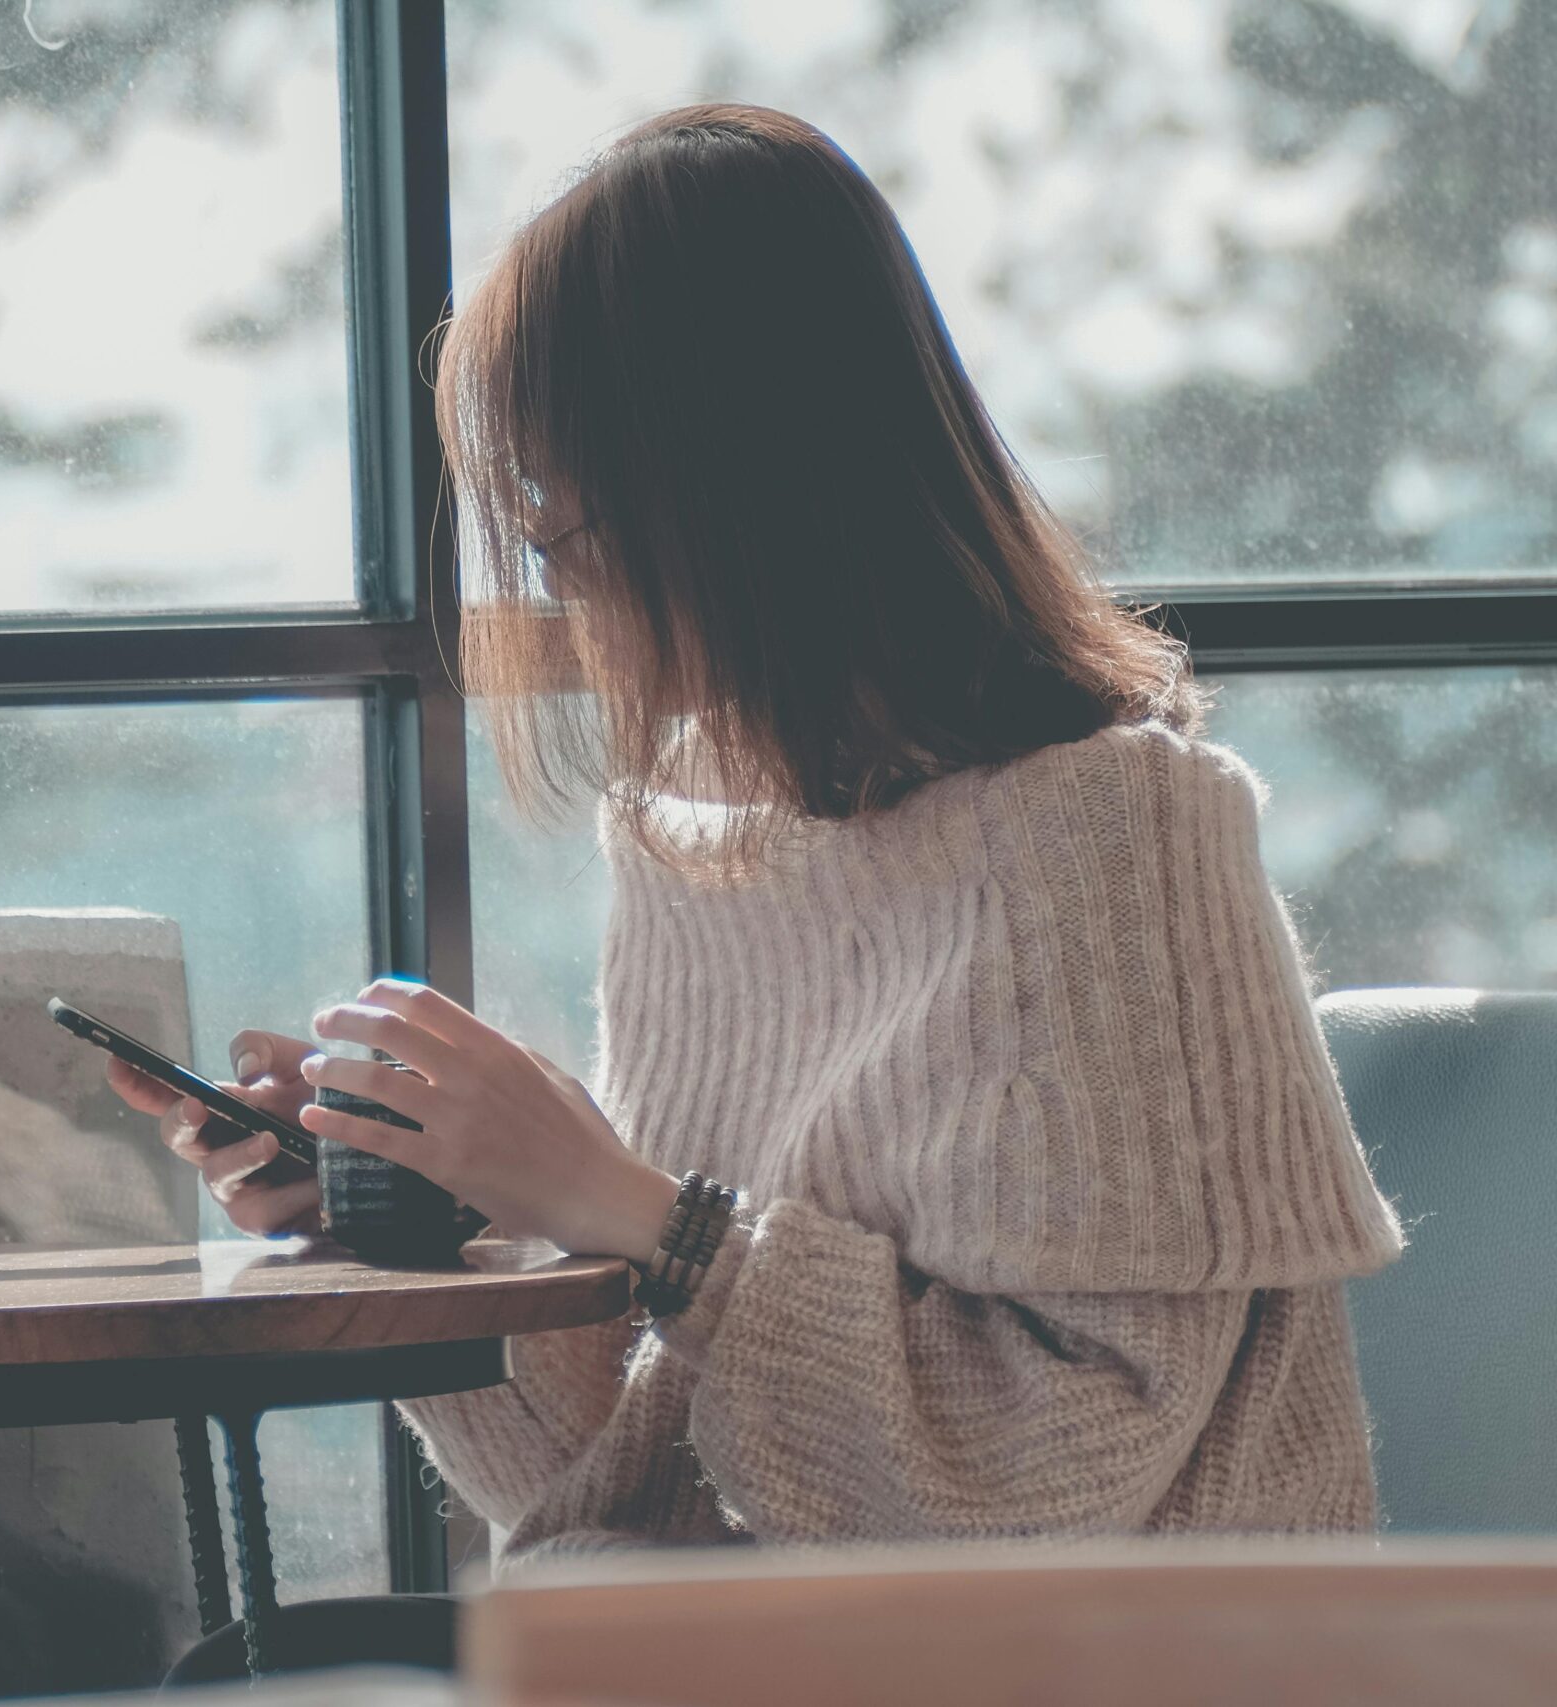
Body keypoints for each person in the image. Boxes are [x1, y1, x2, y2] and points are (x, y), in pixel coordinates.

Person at [110, 103, 1402, 1560]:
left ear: (716, 498)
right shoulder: (689, 858)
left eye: (565, 532)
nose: (561, 596)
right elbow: (641, 1467)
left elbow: (1063, 1469)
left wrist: (645, 1220)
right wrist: (413, 1215)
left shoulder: (1111, 840)